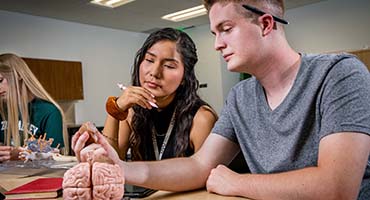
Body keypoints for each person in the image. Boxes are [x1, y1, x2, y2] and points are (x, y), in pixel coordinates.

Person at [72, 1, 370, 199]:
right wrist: (120, 169)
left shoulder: (339, 73)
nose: (217, 44)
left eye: (226, 30)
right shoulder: (240, 97)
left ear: (266, 24)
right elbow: (199, 165)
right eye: (215, 32)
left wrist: (237, 182)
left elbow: (337, 187)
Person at [73, 28, 218, 162]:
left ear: (185, 76)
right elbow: (110, 165)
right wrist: (116, 109)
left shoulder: (202, 119)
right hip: (145, 190)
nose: (154, 72)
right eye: (149, 60)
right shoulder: (131, 113)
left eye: (168, 66)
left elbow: (207, 178)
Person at [0, 53, 69, 161]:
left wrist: (20, 155)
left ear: (18, 75)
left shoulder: (49, 112)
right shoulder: (1, 111)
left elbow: (55, 156)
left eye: (0, 80)